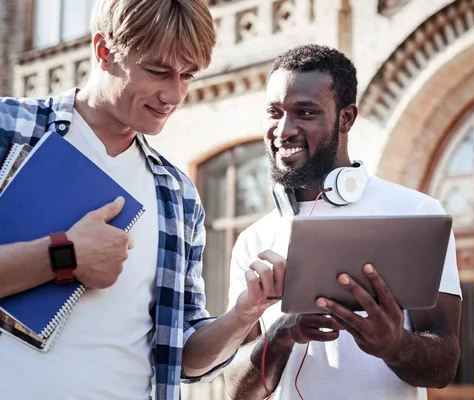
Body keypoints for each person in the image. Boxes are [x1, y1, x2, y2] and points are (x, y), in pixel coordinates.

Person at [0, 1, 283, 399]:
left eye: (187, 75)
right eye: (157, 71)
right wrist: (65, 256)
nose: (173, 94)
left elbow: (184, 356)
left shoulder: (178, 194)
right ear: (103, 51)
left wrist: (244, 313)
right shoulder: (11, 131)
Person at [223, 44, 463, 400]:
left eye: (305, 112)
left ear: (346, 118)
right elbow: (236, 391)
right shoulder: (252, 240)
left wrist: (395, 345)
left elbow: (445, 364)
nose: (283, 129)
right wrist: (283, 334)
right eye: (274, 112)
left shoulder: (416, 212)